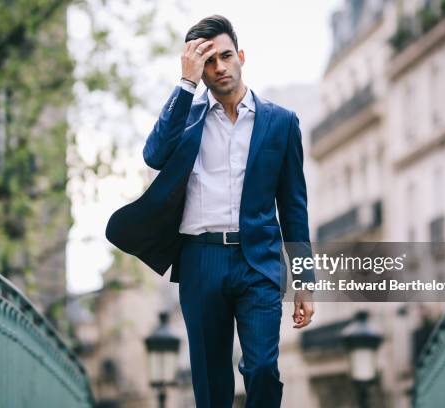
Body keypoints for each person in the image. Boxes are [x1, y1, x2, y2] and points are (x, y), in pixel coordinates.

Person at [106, 15, 315, 408]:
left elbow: (294, 207)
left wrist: (304, 280)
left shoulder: (281, 123)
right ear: (198, 71)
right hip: (201, 260)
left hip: (259, 262)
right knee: (210, 383)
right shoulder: (187, 117)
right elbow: (153, 155)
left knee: (262, 369)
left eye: (225, 56)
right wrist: (184, 84)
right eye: (208, 63)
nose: (219, 68)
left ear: (241, 55)